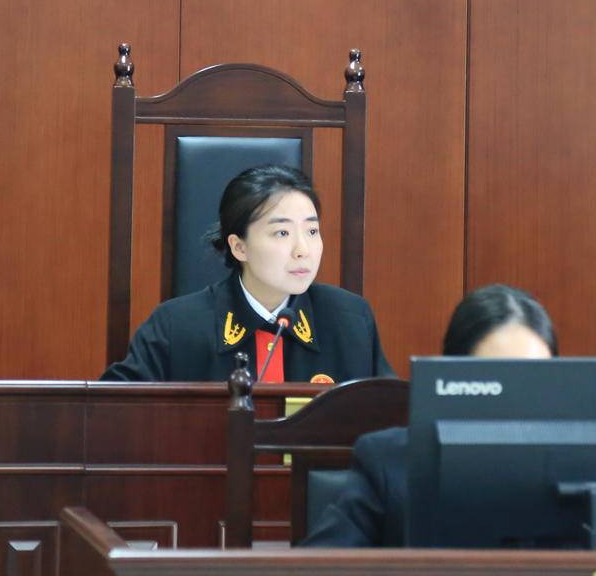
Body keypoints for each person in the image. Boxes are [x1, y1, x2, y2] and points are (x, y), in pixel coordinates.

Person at [303, 284, 557, 547]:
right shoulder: (388, 463)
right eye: (498, 380)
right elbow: (321, 561)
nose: (516, 398)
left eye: (533, 379)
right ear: (455, 378)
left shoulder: (575, 470)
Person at [101, 164, 390, 383]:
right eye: (282, 233)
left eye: (312, 231)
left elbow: (388, 418)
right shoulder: (175, 327)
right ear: (239, 247)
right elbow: (114, 409)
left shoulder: (350, 321)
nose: (303, 250)